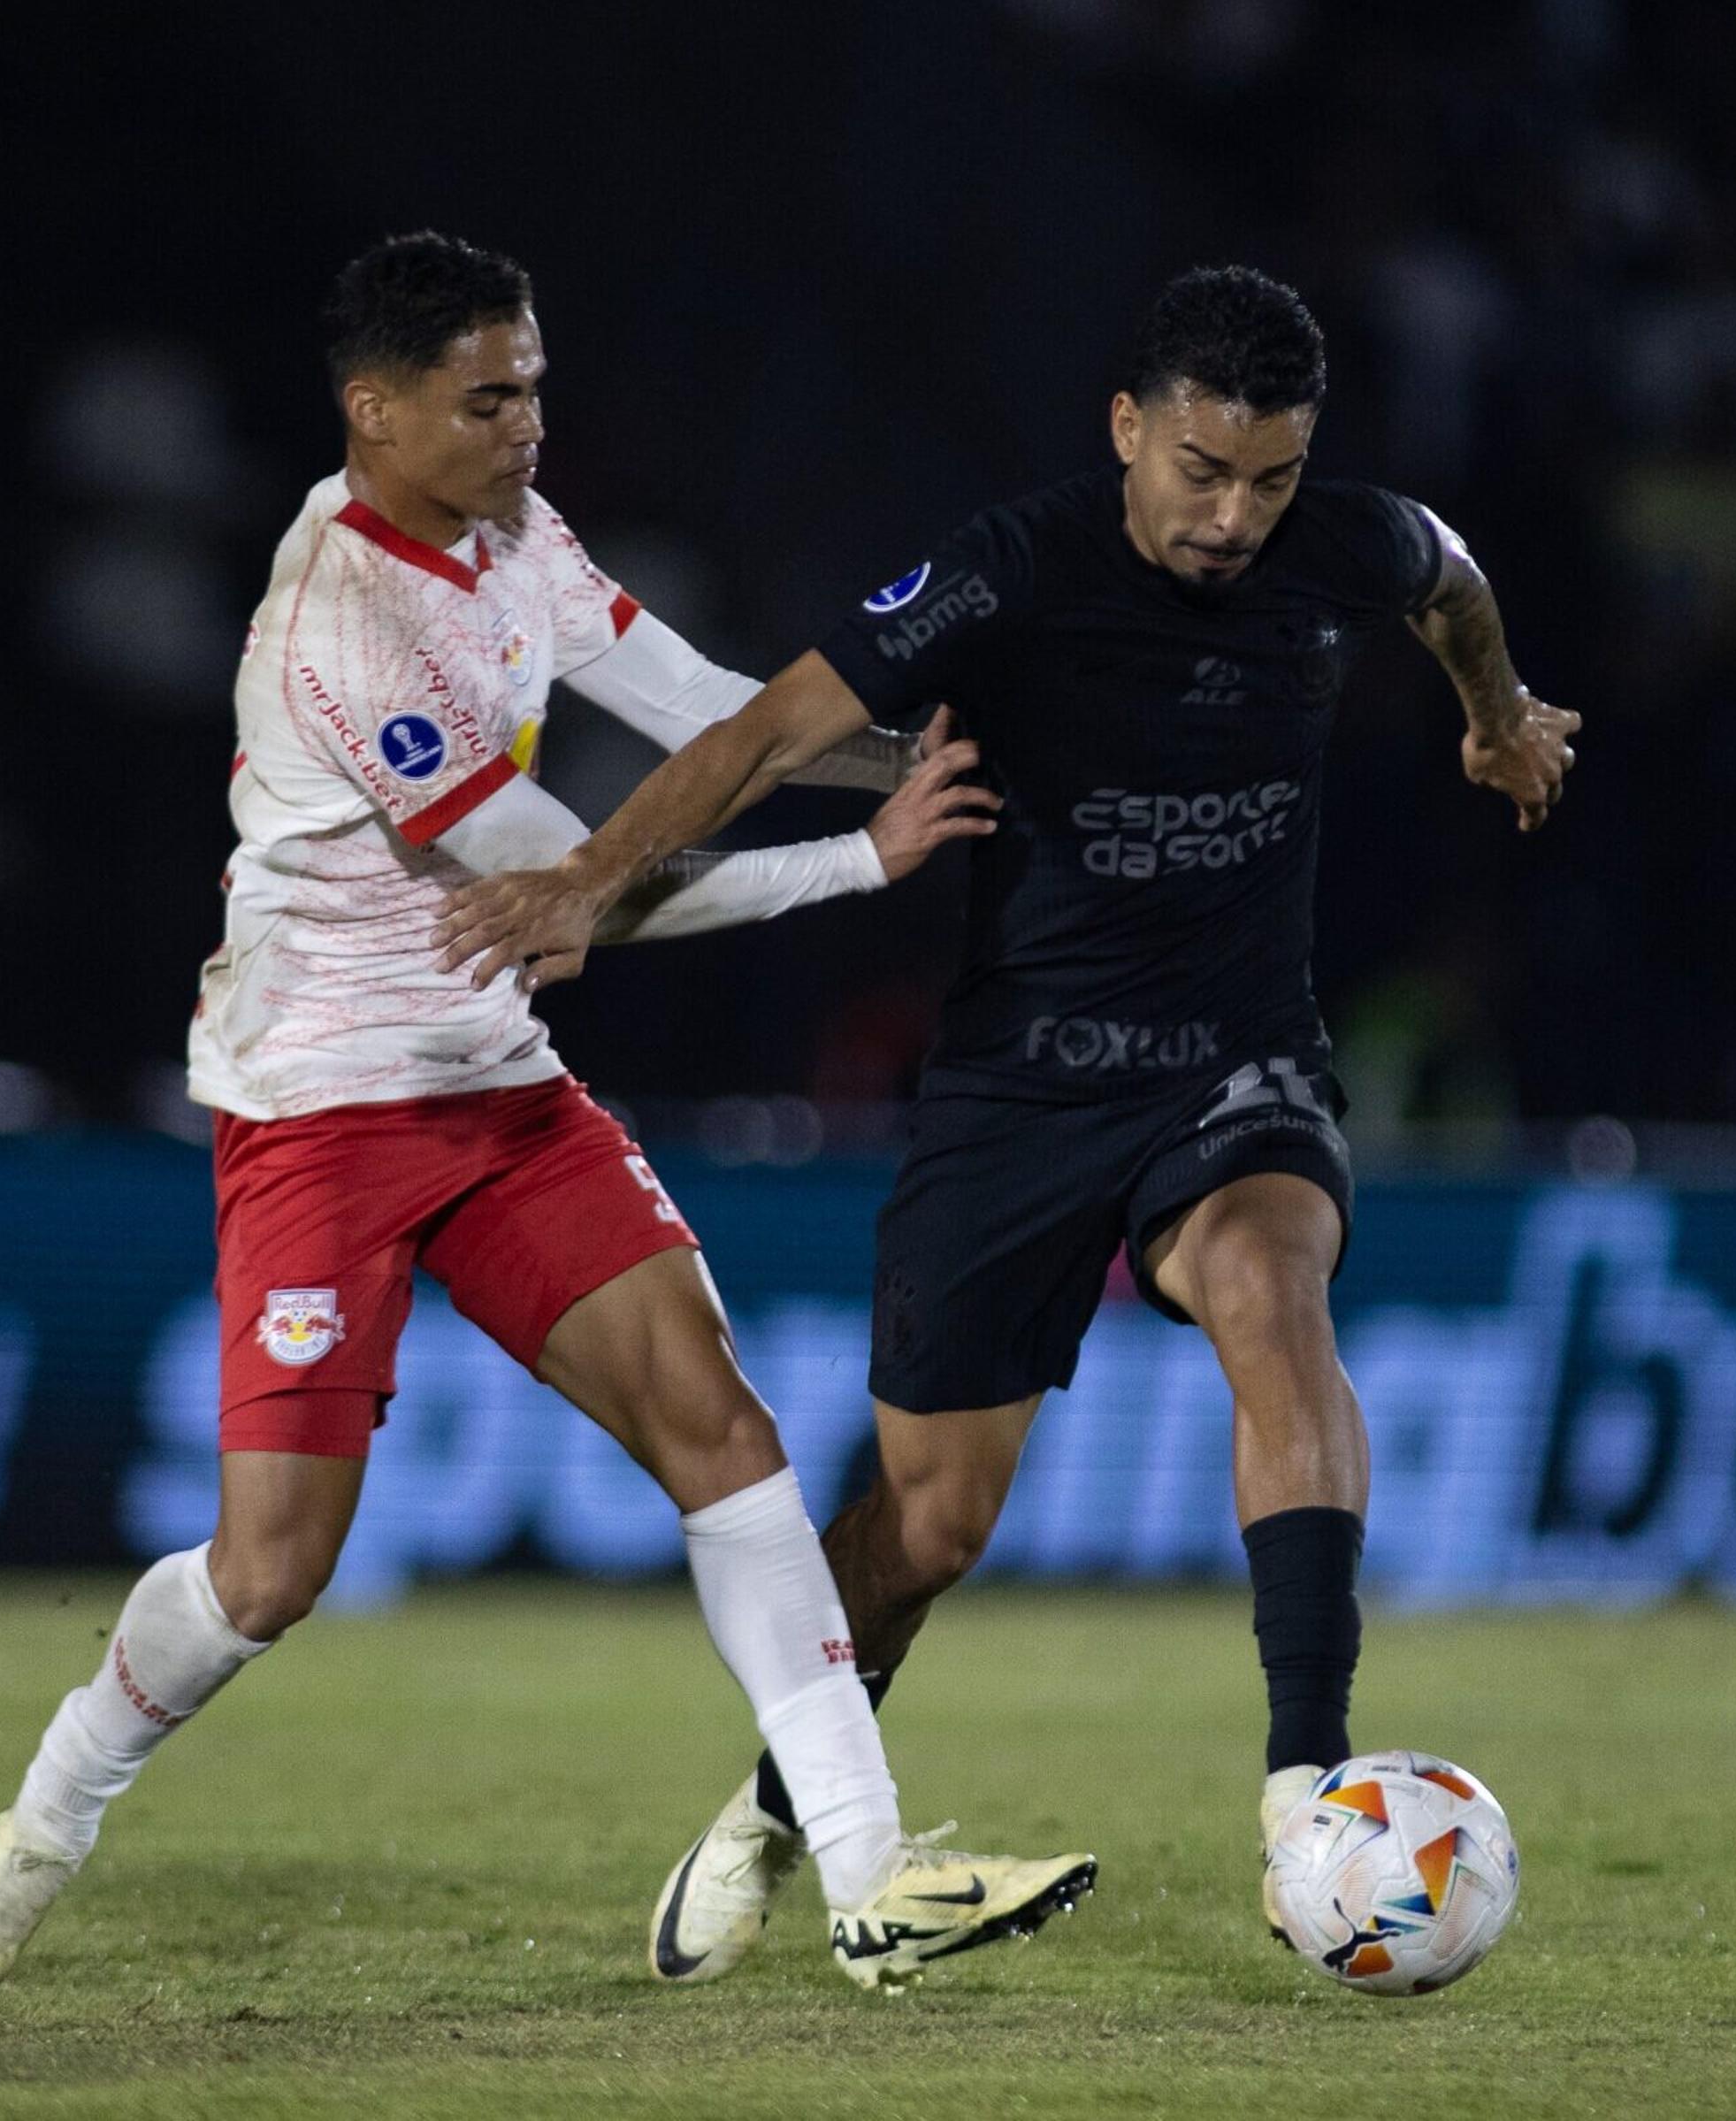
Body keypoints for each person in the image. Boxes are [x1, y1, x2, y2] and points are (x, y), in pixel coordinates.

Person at [0, 233, 1091, 1993]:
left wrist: (913, 737)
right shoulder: (346, 627)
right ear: (372, 410)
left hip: (497, 1092)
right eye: (487, 398)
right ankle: (45, 1819)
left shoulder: (517, 535)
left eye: (535, 383)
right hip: (321, 1113)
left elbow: (708, 712)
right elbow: (576, 890)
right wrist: (863, 852)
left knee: (724, 1431)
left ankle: (868, 1872)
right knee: (269, 1571)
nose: (528, 424)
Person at [438, 265, 1577, 1979]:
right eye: (1202, 469)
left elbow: (1455, 580)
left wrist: (1498, 715)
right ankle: (778, 1806)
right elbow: (762, 733)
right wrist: (591, 877)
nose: (1234, 515)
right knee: (931, 1521)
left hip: (1237, 1055)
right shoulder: (1014, 567)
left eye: (1270, 477)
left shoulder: (1347, 544)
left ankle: (1303, 1788)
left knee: (1273, 1293)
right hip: (1024, 1082)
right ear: (1128, 429)